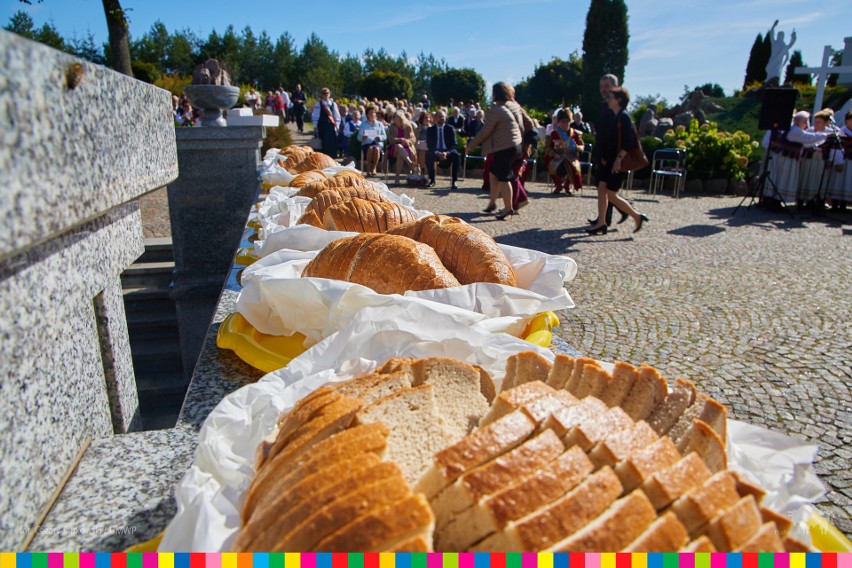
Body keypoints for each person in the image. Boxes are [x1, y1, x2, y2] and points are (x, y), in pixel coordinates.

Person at [588, 87, 649, 235]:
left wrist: (618, 160)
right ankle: (601, 222)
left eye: (611, 97)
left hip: (618, 162)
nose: (608, 99)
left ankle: (636, 215)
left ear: (619, 100)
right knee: (602, 189)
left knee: (611, 194)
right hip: (608, 160)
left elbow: (628, 142)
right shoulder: (612, 116)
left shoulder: (624, 117)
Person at [466, 82, 532, 220]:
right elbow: (528, 123)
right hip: (515, 146)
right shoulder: (514, 106)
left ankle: (508, 208)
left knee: (504, 176)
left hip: (504, 147)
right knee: (493, 173)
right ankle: (492, 203)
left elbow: (485, 131)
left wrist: (471, 145)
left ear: (495, 94)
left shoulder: (496, 110)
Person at [761, 110, 827, 207]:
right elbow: (808, 138)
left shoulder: (794, 130)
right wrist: (826, 135)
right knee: (782, 179)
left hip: (787, 158)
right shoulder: (795, 130)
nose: (807, 124)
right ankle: (774, 202)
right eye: (806, 121)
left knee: (781, 179)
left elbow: (807, 142)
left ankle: (774, 201)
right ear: (801, 121)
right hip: (785, 159)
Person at [590, 74, 630, 227]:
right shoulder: (606, 106)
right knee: (604, 188)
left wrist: (614, 157)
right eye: (601, 87)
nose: (603, 90)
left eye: (607, 87)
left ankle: (608, 218)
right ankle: (603, 218)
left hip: (611, 157)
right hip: (604, 155)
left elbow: (618, 137)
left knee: (607, 189)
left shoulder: (617, 110)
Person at [799, 109, 843, 208]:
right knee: (806, 178)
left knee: (818, 181)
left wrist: (831, 160)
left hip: (821, 161)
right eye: (815, 121)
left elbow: (834, 149)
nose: (816, 124)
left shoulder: (831, 133)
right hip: (808, 160)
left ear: (826, 123)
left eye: (819, 122)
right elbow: (803, 144)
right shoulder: (809, 131)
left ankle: (816, 200)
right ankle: (801, 200)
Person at [544, 109, 584, 194]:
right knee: (548, 161)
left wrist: (577, 147)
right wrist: (554, 154)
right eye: (563, 121)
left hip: (571, 156)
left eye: (567, 121)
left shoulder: (576, 133)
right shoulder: (552, 134)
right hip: (558, 156)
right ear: (558, 122)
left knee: (575, 166)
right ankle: (558, 185)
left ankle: (567, 185)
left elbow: (582, 146)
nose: (565, 124)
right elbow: (547, 148)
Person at [426, 109, 461, 189]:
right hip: (436, 152)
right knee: (428, 155)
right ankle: (432, 180)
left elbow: (454, 144)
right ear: (435, 118)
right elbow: (430, 145)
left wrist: (446, 153)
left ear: (446, 118)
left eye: (443, 117)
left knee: (456, 156)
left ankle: (454, 181)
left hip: (447, 152)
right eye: (439, 116)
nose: (441, 118)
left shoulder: (450, 129)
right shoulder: (430, 130)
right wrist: (438, 153)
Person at [357, 104, 387, 177]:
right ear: (367, 114)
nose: (372, 114)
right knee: (370, 149)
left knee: (376, 149)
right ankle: (368, 167)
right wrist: (363, 137)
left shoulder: (380, 124)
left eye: (374, 112)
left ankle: (374, 167)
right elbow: (359, 137)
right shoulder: (363, 125)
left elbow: (385, 136)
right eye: (371, 113)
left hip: (377, 143)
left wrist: (379, 137)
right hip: (367, 143)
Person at [387, 110, 417, 184]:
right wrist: (400, 139)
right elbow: (390, 140)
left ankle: (397, 179)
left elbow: (413, 139)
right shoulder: (392, 127)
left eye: (395, 117)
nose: (393, 118)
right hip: (394, 148)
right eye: (393, 117)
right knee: (399, 146)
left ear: (400, 118)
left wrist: (407, 141)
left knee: (401, 154)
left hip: (406, 148)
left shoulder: (408, 126)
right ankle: (410, 163)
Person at [311, 88, 341, 158]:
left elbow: (337, 116)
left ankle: (333, 158)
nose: (326, 95)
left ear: (329, 94)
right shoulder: (319, 104)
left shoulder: (333, 104)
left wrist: (337, 126)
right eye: (324, 93)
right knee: (324, 143)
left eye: (327, 93)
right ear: (322, 95)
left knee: (332, 144)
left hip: (331, 127)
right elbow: (315, 116)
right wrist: (315, 126)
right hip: (322, 127)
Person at [765, 20, 796, 85]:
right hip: (772, 63)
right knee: (769, 78)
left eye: (781, 35)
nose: (779, 36)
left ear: (783, 37)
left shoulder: (784, 46)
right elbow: (771, 35)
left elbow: (790, 46)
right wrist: (773, 27)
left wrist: (793, 38)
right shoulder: (774, 43)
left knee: (776, 78)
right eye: (779, 35)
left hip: (778, 66)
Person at [832, 110, 852, 210]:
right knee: (839, 181)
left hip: (851, 161)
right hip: (843, 159)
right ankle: (835, 204)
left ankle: (843, 204)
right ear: (846, 121)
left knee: (848, 181)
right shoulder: (842, 132)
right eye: (851, 119)